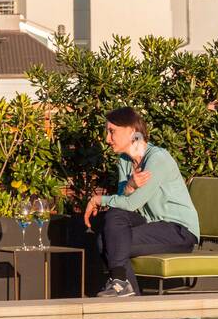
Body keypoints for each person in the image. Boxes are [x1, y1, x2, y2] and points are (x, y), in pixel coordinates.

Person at [84, 107, 200, 298]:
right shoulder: (124, 161)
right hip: (151, 224)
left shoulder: (157, 158)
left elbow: (129, 204)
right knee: (113, 220)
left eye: (112, 131)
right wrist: (129, 187)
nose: (107, 139)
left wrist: (98, 199)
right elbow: (125, 202)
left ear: (131, 132)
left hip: (179, 230)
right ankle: (125, 288)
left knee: (108, 242)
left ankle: (123, 287)